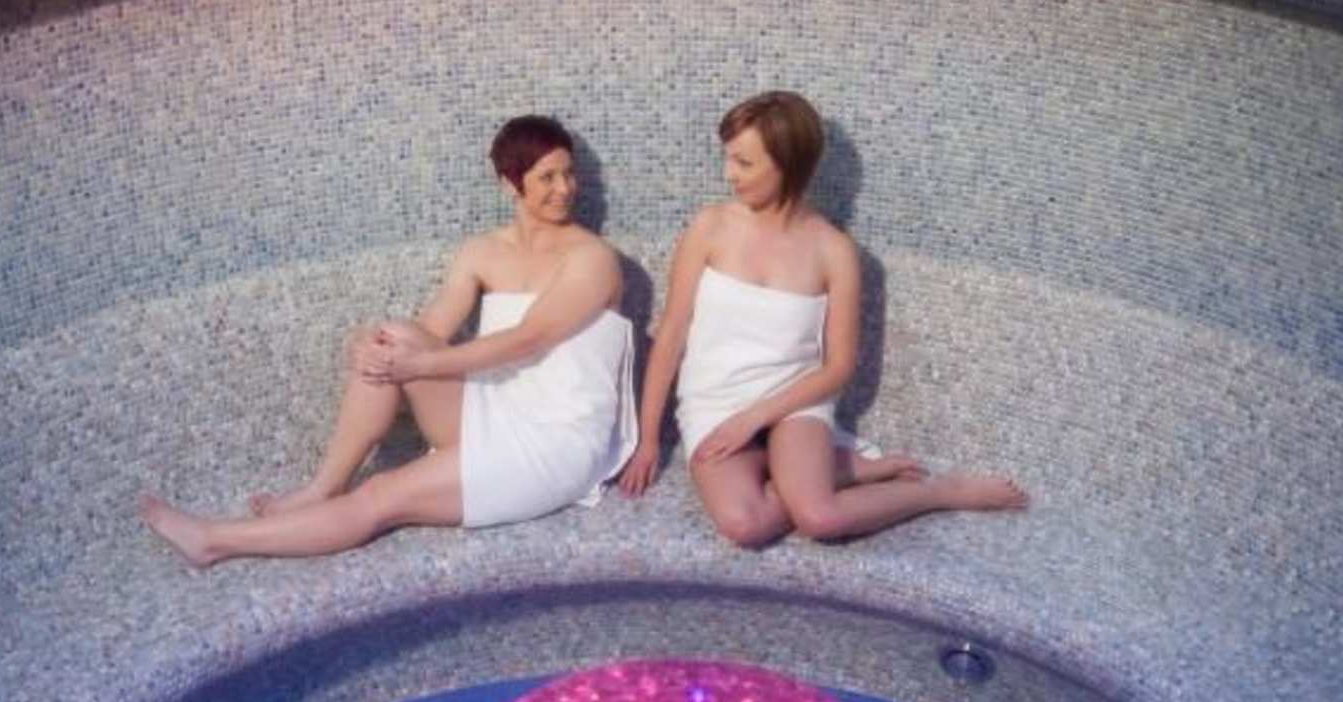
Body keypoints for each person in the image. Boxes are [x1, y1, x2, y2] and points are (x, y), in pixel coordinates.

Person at [141, 117, 636, 565]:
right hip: (497, 407)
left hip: (556, 439)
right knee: (391, 338)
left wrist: (419, 367)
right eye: (547, 177)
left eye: (568, 174)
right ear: (510, 183)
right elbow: (430, 331)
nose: (565, 189)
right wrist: (368, 345)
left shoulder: (592, 259)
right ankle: (323, 487)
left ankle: (214, 541)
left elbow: (528, 338)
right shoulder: (483, 251)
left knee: (381, 495)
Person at [619, 91, 1026, 545]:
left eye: (744, 163)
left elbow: (838, 367)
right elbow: (672, 333)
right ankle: (838, 471)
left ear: (788, 166)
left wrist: (754, 418)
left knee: (821, 519)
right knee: (745, 525)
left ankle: (938, 492)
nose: (728, 174)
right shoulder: (710, 227)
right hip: (715, 400)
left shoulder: (833, 251)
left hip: (794, 399)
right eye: (728, 158)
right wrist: (647, 440)